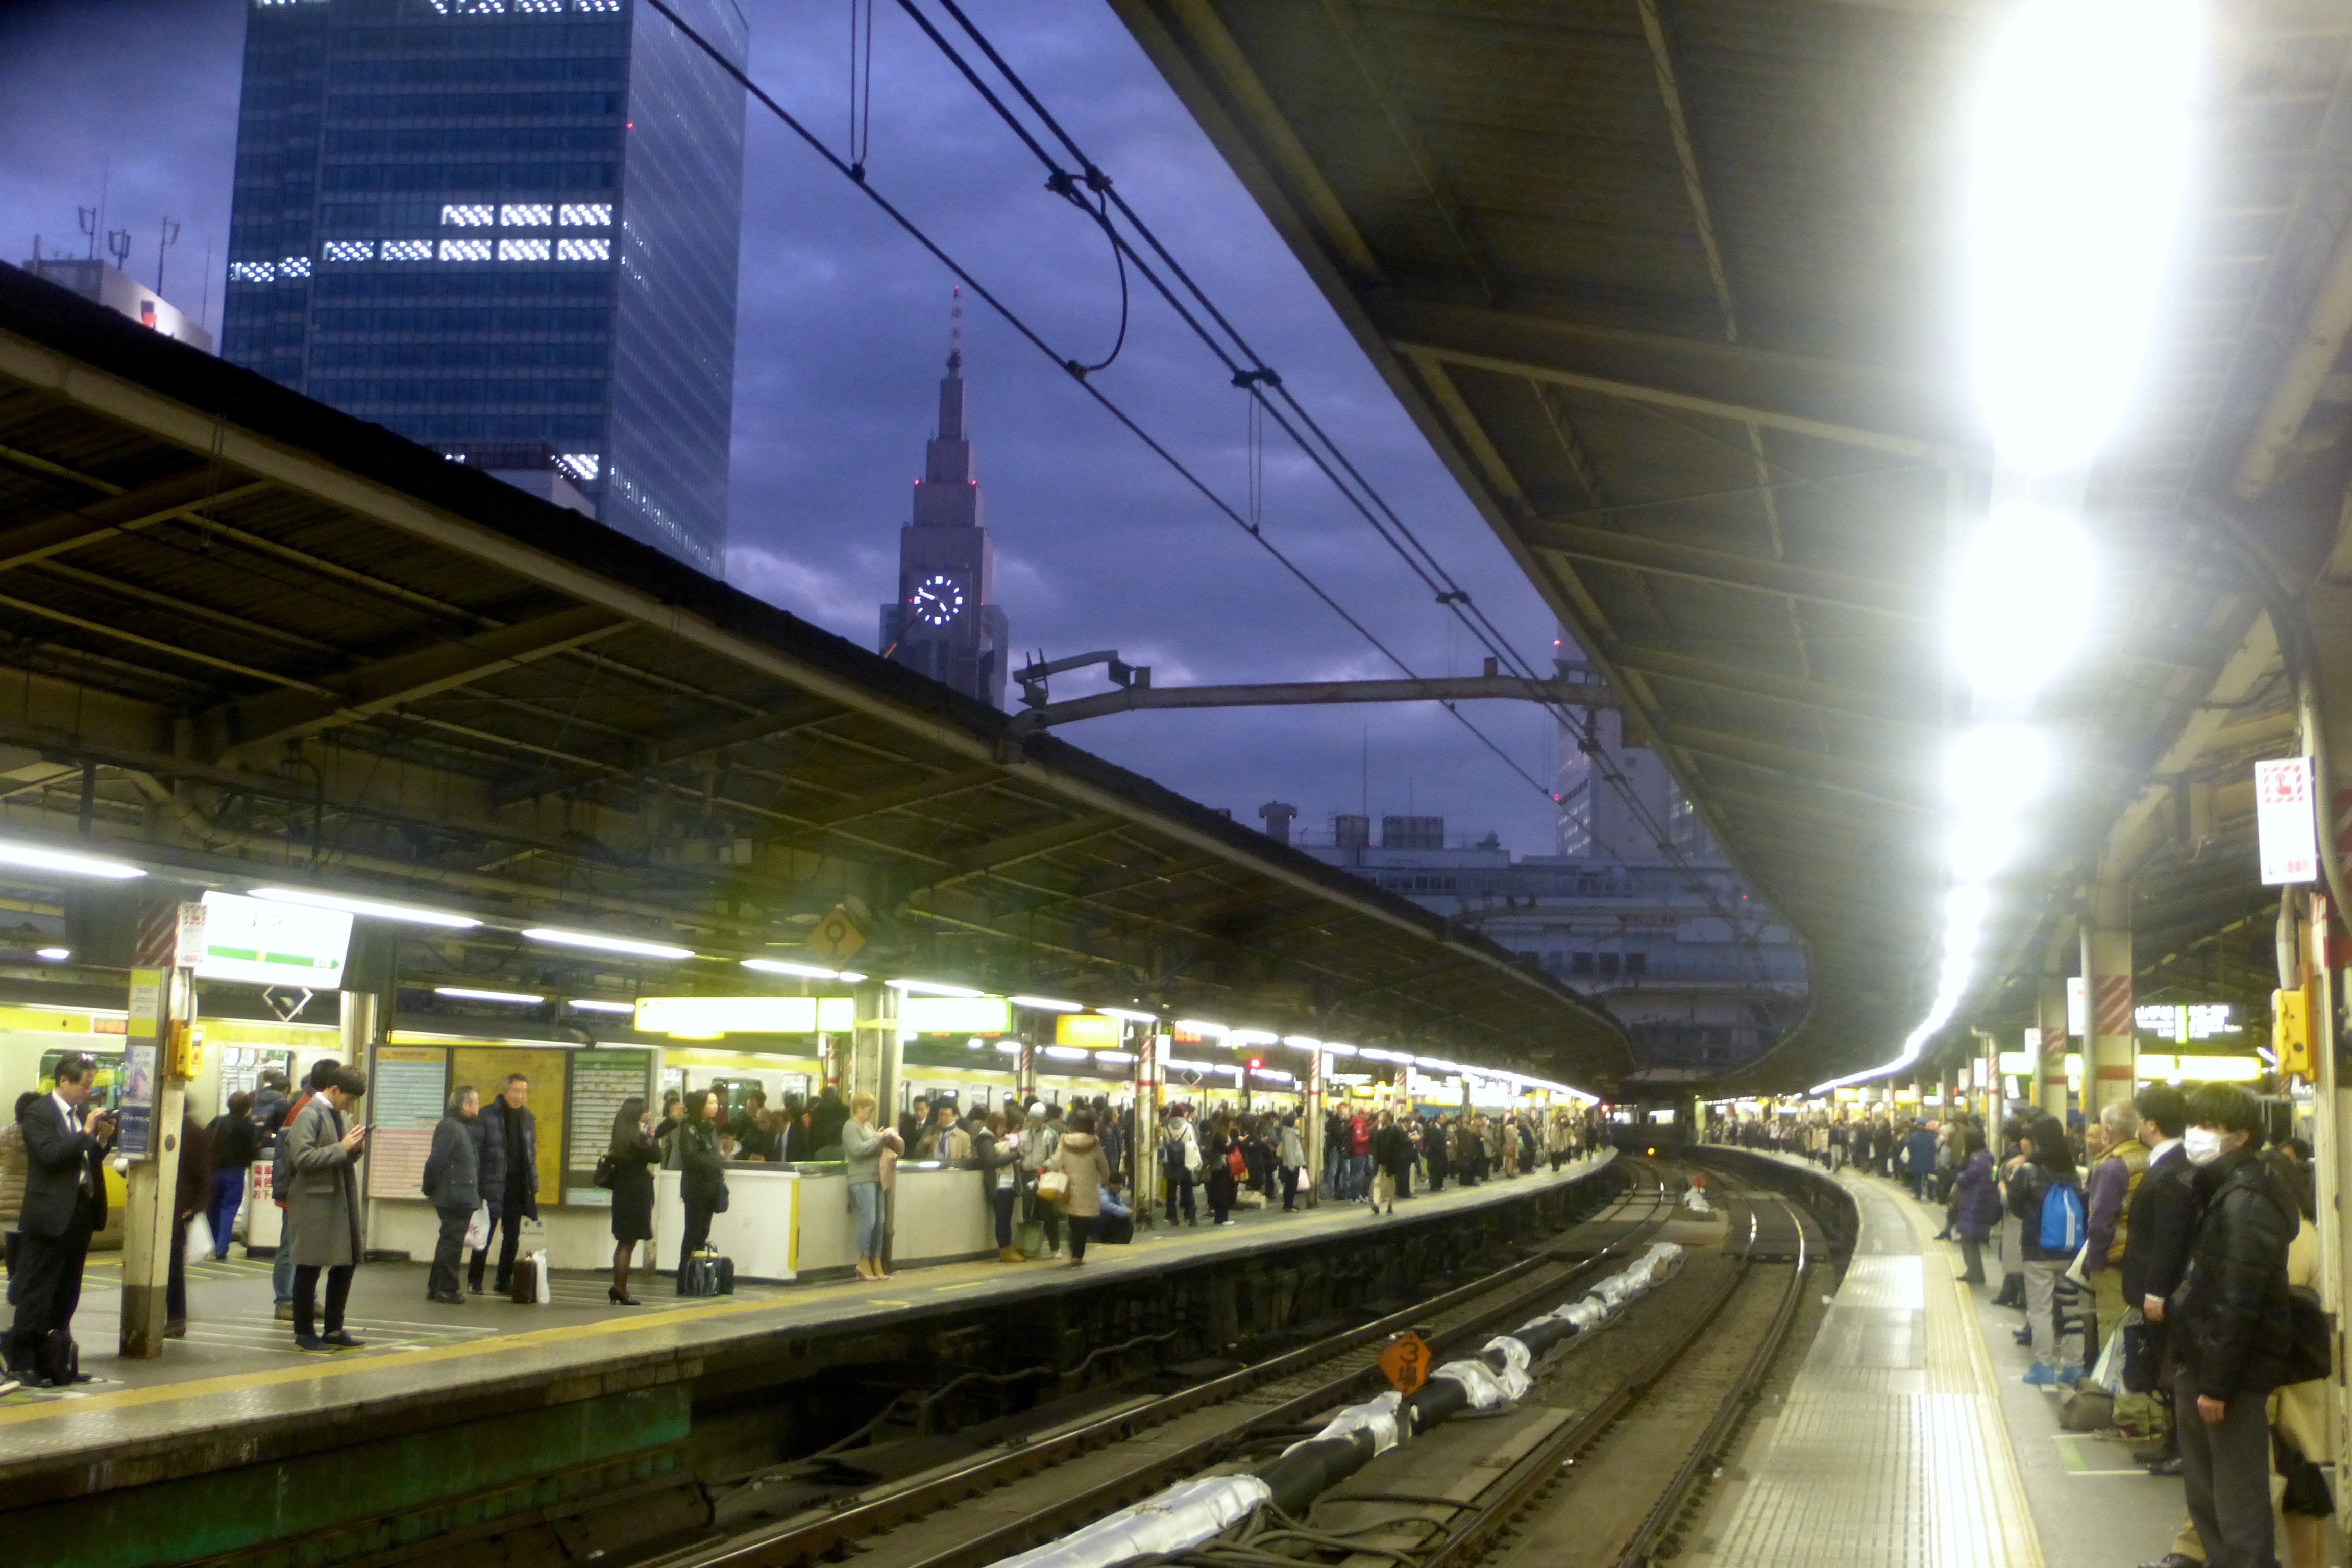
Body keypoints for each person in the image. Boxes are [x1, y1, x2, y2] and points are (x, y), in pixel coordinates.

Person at [2168, 1084, 2297, 1568]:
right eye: (2193, 1123)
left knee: (2236, 1502)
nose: (2195, 1135)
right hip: (2206, 1363)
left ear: (2241, 1136)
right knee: (2209, 1500)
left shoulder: (2247, 1200)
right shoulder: (2225, 1190)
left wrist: (2216, 1384)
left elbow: (2238, 1300)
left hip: (2229, 1376)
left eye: (2208, 1126)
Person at [6, 1054, 115, 1387]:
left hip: (80, 1214)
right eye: (84, 1085)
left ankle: (54, 1360)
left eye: (91, 1085)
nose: (88, 1092)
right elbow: (51, 1156)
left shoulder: (81, 1114)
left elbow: (86, 1158)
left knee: (68, 1292)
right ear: (63, 1082)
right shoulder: (40, 1113)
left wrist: (101, 1140)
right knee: (39, 1292)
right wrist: (85, 1131)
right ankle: (21, 1361)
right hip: (49, 1217)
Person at [2122, 1085, 2194, 1474]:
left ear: (2152, 1122)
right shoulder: (2169, 1166)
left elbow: (2169, 1238)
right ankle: (2172, 1442)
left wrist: (2155, 1291)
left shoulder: (2170, 1172)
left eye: (2139, 1117)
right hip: (2158, 1290)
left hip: (2162, 1293)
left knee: (2169, 1368)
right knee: (2163, 1368)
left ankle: (2181, 1447)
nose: (2137, 1124)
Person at [283, 1066, 370, 1351]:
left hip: (340, 1200)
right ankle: (304, 1333)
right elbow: (302, 1158)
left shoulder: (340, 1115)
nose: (351, 1105)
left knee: (345, 1264)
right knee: (309, 1268)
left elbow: (341, 1155)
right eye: (350, 1099)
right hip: (313, 1203)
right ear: (334, 1090)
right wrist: (343, 1147)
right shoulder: (309, 1114)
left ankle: (334, 1329)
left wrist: (355, 1148)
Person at [2006, 1113, 2087, 1385]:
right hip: (2070, 1252)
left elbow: (2015, 1206)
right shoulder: (2074, 1171)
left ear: (2038, 1141)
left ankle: (2043, 1365)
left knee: (2040, 1309)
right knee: (2070, 1307)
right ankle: (2074, 1366)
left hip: (2039, 1252)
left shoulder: (2029, 1171)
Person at [268, 1059, 339, 1320]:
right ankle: (286, 1299)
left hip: (306, 1190)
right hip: (297, 1190)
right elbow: (299, 1155)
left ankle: (305, 1298)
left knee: (304, 1248)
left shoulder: (315, 1107)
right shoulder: (305, 1109)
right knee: (290, 1247)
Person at [2084, 1098, 2149, 1354]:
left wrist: (2094, 1262)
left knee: (2113, 1333)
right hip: (2141, 1260)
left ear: (2108, 1130)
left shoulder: (2112, 1166)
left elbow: (2100, 1221)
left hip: (2115, 1264)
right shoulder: (2147, 1157)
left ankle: (2110, 1392)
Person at [469, 1074, 539, 1297]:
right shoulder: (487, 1115)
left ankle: (503, 1280)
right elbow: (476, 1151)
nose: (520, 1096)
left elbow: (531, 1154)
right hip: (493, 1182)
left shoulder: (528, 1118)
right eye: (516, 1091)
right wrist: (477, 1183)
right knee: (486, 1235)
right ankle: (475, 1280)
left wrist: (532, 1183)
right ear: (506, 1091)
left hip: (518, 1184)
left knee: (512, 1236)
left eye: (524, 1092)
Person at [421, 1086, 480, 1304]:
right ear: (465, 1105)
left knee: (449, 1240)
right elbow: (436, 1160)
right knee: (452, 1242)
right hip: (454, 1195)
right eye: (476, 1101)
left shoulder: (459, 1126)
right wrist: (429, 1187)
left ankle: (436, 1287)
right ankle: (447, 1289)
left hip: (459, 1193)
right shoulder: (451, 1127)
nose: (479, 1106)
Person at [165, 1108, 213, 1338]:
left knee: (173, 1265)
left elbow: (203, 1175)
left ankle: (176, 1318)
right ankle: (173, 1317)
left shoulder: (191, 1134)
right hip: (169, 1206)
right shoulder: (169, 1129)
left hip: (178, 1209)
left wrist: (193, 1208)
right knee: (170, 1265)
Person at [842, 1093, 900, 1280]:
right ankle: (863, 1261)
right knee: (869, 1219)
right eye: (869, 1110)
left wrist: (884, 1139)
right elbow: (857, 1150)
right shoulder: (850, 1127)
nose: (871, 1114)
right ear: (858, 1108)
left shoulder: (867, 1126)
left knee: (880, 1221)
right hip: (861, 1178)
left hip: (876, 1178)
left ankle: (877, 1261)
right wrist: (878, 1138)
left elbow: (871, 1145)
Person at [606, 1096, 658, 1305]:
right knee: (629, 1242)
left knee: (623, 1242)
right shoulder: (639, 1137)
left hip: (622, 1191)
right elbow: (657, 1156)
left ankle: (619, 1287)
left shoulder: (621, 1135)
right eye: (646, 1111)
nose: (648, 1115)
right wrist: (650, 1135)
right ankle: (620, 1289)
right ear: (638, 1114)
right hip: (637, 1192)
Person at [669, 1089, 725, 1273]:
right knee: (693, 1232)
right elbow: (692, 1157)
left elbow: (713, 1153)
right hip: (695, 1189)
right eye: (711, 1103)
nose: (716, 1106)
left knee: (703, 1233)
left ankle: (697, 1274)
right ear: (700, 1106)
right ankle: (685, 1274)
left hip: (711, 1187)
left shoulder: (710, 1127)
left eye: (716, 1102)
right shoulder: (688, 1128)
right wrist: (715, 1161)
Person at [1045, 1111, 1110, 1266]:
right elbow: (1103, 1164)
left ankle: (1074, 1252)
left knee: (1073, 1221)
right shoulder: (1094, 1143)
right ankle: (1077, 1255)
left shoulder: (1065, 1141)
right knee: (1084, 1223)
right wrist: (1106, 1180)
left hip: (1070, 1189)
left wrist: (1048, 1169)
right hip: (1087, 1189)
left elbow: (1056, 1162)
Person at [203, 1091, 257, 1259]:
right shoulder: (250, 1126)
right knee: (229, 1208)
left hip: (214, 1171)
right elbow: (253, 1149)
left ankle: (214, 1241)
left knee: (212, 1207)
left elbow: (205, 1140)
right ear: (248, 1108)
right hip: (235, 1172)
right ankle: (222, 1246)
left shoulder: (219, 1121)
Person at [1950, 1130, 1999, 1285]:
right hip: (1977, 1203)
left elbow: (1964, 1179)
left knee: (1969, 1240)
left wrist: (1960, 1172)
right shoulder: (1985, 1158)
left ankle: (1975, 1274)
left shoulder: (1978, 1161)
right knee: (1969, 1240)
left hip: (1975, 1205)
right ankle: (1973, 1271)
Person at [976, 1111, 1024, 1261]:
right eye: (1002, 1126)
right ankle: (1005, 1250)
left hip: (1006, 1184)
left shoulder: (996, 1138)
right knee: (1003, 1220)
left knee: (1006, 1219)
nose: (1004, 1130)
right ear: (995, 1125)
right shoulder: (985, 1139)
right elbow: (992, 1161)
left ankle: (1008, 1247)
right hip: (998, 1186)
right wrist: (1016, 1155)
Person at [1162, 1105, 1199, 1226]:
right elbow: (1193, 1144)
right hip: (1185, 1163)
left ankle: (1173, 1217)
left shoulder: (1166, 1128)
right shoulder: (1188, 1127)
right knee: (1188, 1190)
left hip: (1171, 1163)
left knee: (1171, 1192)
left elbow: (1163, 1144)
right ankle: (1191, 1217)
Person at [1203, 1111, 1240, 1226]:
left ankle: (1220, 1218)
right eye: (1231, 1123)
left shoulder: (1217, 1132)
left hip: (1216, 1166)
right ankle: (1223, 1218)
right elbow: (1225, 1149)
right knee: (1223, 1192)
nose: (1232, 1125)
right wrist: (1236, 1143)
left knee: (1219, 1191)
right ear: (1228, 1122)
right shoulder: (1221, 1134)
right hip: (1221, 1166)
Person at [1277, 1113, 1306, 1211]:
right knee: (1290, 1186)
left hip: (1294, 1163)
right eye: (1296, 1120)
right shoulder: (1289, 1134)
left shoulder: (1292, 1133)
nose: (1298, 1121)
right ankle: (1288, 1205)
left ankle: (1290, 1204)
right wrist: (1292, 1166)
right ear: (1292, 1122)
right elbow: (1290, 1151)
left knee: (1292, 1185)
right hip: (1291, 1164)